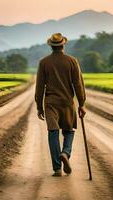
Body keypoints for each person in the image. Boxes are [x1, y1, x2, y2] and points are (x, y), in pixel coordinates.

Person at [35, 33, 86, 177]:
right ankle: (65, 153)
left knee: (53, 132)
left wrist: (39, 106)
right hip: (67, 102)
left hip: (51, 103)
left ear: (51, 46)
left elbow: (39, 87)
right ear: (63, 45)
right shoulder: (72, 61)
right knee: (69, 131)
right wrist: (81, 104)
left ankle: (57, 168)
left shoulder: (44, 62)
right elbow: (78, 84)